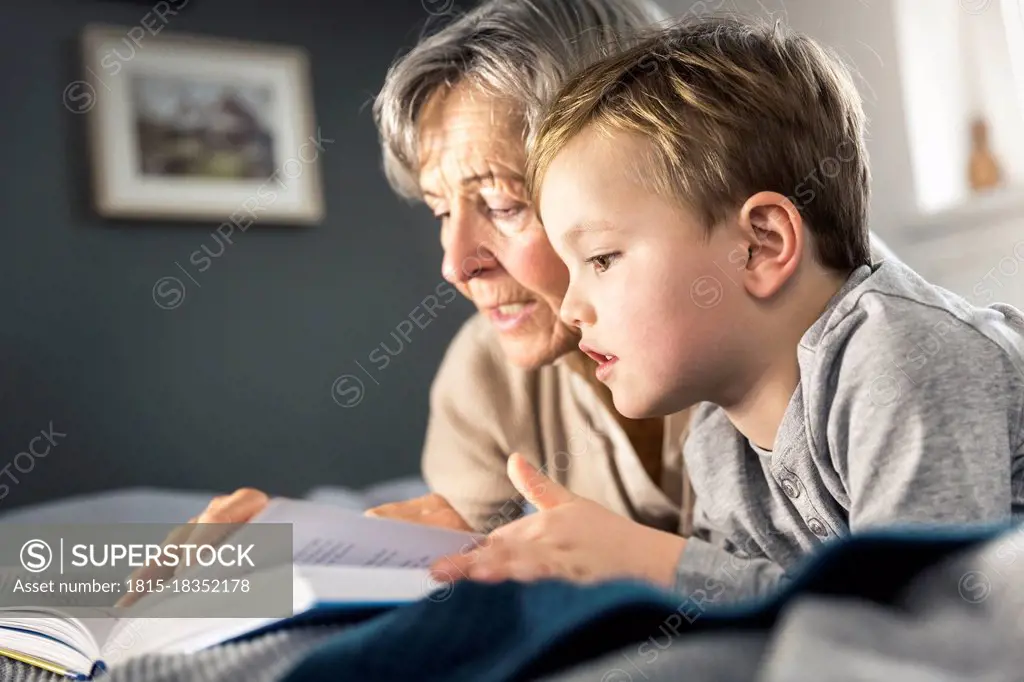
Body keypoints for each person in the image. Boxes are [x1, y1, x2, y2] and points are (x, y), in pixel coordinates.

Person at [431, 17, 1024, 601]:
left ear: (761, 245)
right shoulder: (716, 441)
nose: (570, 306)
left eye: (603, 258)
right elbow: (760, 611)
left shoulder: (905, 360)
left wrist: (651, 561)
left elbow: (923, 623)